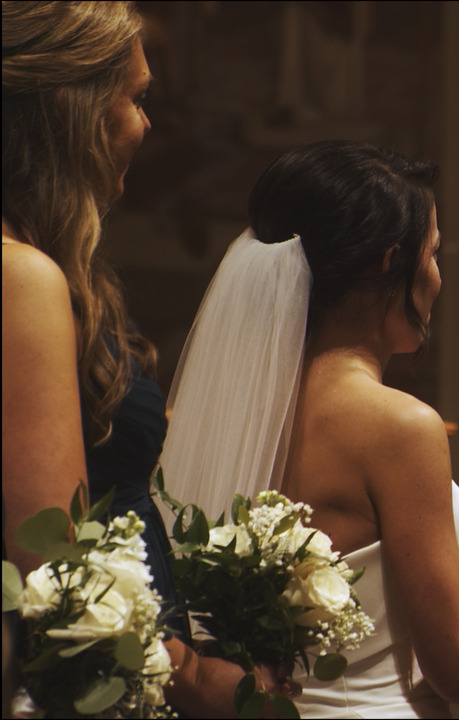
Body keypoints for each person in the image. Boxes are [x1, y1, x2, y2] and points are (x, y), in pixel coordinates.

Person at [160, 140, 459, 718]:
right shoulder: (400, 426)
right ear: (388, 261)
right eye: (432, 253)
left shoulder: (243, 415)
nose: (437, 276)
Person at [1, 2, 294, 715]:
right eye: (137, 98)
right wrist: (195, 678)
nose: (147, 124)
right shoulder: (22, 278)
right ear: (73, 113)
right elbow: (58, 569)